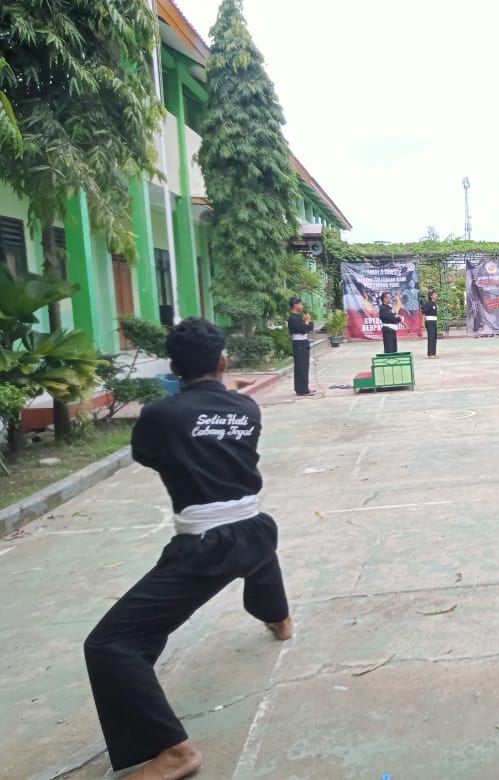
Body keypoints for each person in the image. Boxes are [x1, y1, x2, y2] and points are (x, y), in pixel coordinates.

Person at [83, 318, 292, 780]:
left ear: (174, 366)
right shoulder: (247, 408)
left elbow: (148, 455)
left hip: (205, 546)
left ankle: (175, 752)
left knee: (110, 645)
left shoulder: (162, 414)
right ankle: (279, 619)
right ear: (223, 361)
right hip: (255, 529)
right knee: (256, 550)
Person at [287, 296, 314, 396]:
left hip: (304, 342)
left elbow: (309, 328)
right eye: (300, 304)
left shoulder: (299, 317)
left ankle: (304, 388)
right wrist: (306, 322)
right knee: (301, 367)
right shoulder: (293, 318)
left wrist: (309, 320)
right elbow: (303, 330)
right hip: (299, 344)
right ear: (295, 305)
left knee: (305, 366)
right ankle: (301, 390)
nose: (302, 306)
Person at [422, 289, 439, 358]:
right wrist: (422, 323)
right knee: (431, 337)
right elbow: (423, 313)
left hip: (434, 322)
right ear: (431, 296)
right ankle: (430, 354)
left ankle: (433, 353)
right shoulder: (428, 304)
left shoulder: (434, 303)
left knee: (434, 337)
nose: (436, 295)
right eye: (435, 294)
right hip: (429, 322)